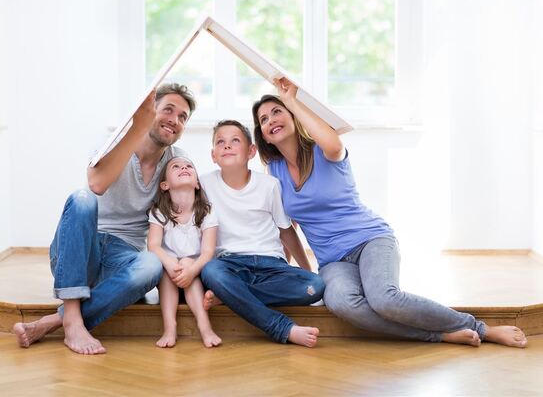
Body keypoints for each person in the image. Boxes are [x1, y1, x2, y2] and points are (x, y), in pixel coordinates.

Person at [251, 77, 528, 348]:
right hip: (333, 262)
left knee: (383, 299)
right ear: (262, 135)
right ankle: (439, 335)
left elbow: (335, 144)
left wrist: (292, 100)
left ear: (293, 117)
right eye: (264, 119)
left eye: (277, 112)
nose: (271, 120)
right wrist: (304, 271)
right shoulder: (273, 173)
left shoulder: (324, 150)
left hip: (370, 239)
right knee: (342, 304)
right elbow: (287, 229)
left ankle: (481, 328)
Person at [12, 83, 197, 355]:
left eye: (183, 117)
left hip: (123, 259)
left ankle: (54, 321)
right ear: (150, 111)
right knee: (82, 198)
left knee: (152, 264)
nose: (175, 120)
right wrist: (137, 127)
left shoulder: (176, 161)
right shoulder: (114, 140)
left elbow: (187, 212)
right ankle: (73, 319)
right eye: (168, 110)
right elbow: (97, 184)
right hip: (81, 251)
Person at [199, 120, 325, 348]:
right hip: (230, 265)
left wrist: (307, 270)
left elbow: (286, 231)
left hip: (271, 265)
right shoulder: (204, 184)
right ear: (213, 155)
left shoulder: (269, 185)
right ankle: (283, 328)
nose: (227, 146)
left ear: (251, 151)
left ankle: (228, 295)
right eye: (220, 142)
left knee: (314, 286)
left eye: (235, 141)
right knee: (211, 271)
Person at [147, 156, 221, 348]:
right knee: (167, 267)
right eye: (176, 167)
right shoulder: (159, 211)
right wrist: (171, 263)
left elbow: (207, 252)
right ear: (164, 185)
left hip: (195, 274)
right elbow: (153, 245)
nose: (183, 168)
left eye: (189, 166)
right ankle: (169, 327)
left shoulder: (206, 211)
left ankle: (204, 326)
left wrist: (191, 270)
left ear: (197, 183)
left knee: (187, 261)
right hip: (169, 276)